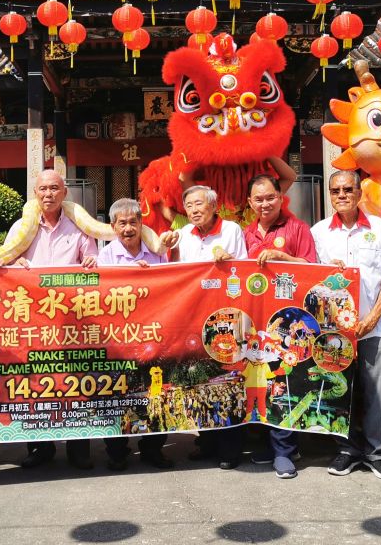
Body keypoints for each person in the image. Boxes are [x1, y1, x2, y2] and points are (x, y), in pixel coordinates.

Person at [312, 170, 381, 481]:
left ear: (359, 192)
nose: (342, 195)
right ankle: (346, 450)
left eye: (347, 189)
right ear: (330, 195)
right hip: (335, 332)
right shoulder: (320, 232)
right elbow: (310, 280)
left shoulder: (379, 228)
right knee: (342, 391)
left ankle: (377, 454)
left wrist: (374, 316)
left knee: (375, 391)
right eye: (336, 190)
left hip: (374, 326)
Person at [0, 169, 98, 469]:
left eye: (54, 188)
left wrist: (92, 263)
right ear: (35, 193)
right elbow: (5, 261)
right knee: (37, 383)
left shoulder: (80, 227)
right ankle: (40, 447)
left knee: (77, 384)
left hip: (74, 324)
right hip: (34, 325)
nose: (48, 194)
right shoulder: (21, 227)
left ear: (64, 193)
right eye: (42, 189)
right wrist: (14, 261)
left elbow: (93, 266)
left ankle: (79, 447)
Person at [160, 185, 247, 469]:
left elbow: (243, 269)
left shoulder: (232, 230)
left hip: (224, 318)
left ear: (213, 205)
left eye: (199, 204)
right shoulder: (183, 235)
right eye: (189, 206)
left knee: (227, 382)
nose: (194, 210)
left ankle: (230, 449)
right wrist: (164, 243)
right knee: (198, 382)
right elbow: (167, 264)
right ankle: (206, 442)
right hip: (192, 319)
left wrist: (228, 262)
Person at [240, 174, 319, 479]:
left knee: (283, 384)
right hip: (254, 322)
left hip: (286, 324)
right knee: (258, 383)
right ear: (250, 203)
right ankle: (267, 443)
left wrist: (284, 257)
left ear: (280, 197)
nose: (264, 204)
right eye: (258, 199)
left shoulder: (297, 228)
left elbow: (313, 270)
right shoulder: (245, 234)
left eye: (270, 197)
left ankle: (284, 451)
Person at [97, 197, 172, 471]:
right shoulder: (104, 256)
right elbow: (102, 296)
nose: (128, 228)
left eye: (133, 222)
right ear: (112, 227)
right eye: (122, 223)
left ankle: (153, 448)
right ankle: (117, 451)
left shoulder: (158, 253)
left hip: (154, 336)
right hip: (119, 340)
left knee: (154, 393)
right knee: (118, 394)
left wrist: (150, 276)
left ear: (141, 224)